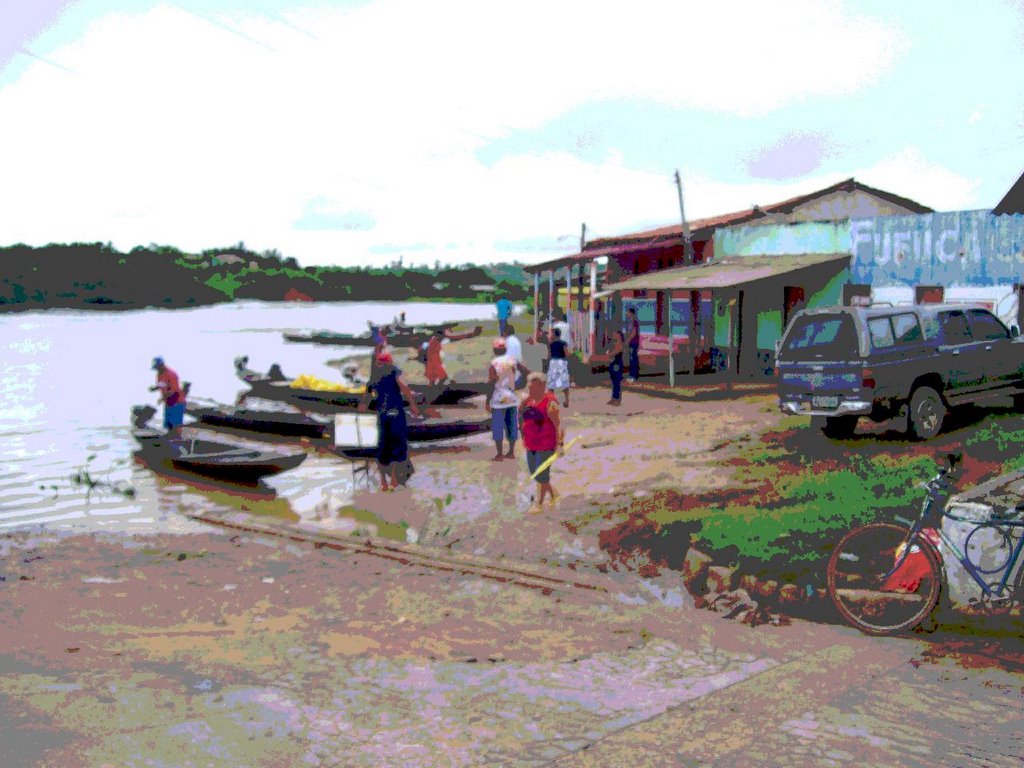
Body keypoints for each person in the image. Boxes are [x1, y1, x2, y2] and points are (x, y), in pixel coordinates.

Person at [359, 350, 421, 492]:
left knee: (383, 448)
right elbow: (404, 388)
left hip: (383, 414)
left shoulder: (374, 376)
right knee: (397, 447)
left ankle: (383, 482)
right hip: (396, 413)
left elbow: (366, 395)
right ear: (390, 362)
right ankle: (393, 480)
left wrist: (363, 405)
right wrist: (412, 404)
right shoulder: (394, 371)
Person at [520, 372, 565, 514]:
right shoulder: (528, 401)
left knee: (541, 474)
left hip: (546, 445)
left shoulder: (550, 402)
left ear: (542, 385)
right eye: (529, 388)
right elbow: (522, 416)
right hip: (531, 444)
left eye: (532, 388)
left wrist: (561, 444)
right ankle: (554, 494)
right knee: (535, 472)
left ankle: (538, 504)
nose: (530, 390)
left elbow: (559, 424)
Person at [487, 338, 529, 461]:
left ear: (494, 349)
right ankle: (511, 452)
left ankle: (499, 454)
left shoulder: (494, 363)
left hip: (498, 398)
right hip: (511, 397)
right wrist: (519, 383)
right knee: (511, 425)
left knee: (498, 427)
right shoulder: (512, 360)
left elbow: (491, 382)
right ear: (505, 349)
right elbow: (526, 371)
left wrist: (487, 400)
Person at [149, 357, 186, 431]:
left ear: (162, 365)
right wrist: (155, 388)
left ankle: (177, 439)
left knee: (176, 425)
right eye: (156, 368)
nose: (157, 370)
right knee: (167, 425)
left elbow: (173, 390)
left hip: (177, 401)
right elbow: (162, 384)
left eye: (158, 368)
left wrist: (162, 398)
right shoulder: (159, 374)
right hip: (168, 402)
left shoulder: (171, 374)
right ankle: (167, 439)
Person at [547, 328, 571, 408]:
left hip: (553, 363)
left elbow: (549, 356)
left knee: (551, 382)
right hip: (562, 362)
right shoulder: (563, 343)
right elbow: (567, 354)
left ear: (554, 334)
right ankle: (567, 400)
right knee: (565, 382)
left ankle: (551, 400)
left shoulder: (551, 344)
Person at [608, 331, 625, 406]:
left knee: (617, 382)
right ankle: (614, 398)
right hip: (613, 363)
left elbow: (615, 352)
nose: (613, 336)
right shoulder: (614, 343)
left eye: (615, 334)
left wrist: (609, 354)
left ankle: (617, 399)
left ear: (619, 335)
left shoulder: (620, 344)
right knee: (613, 382)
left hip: (617, 365)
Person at [625, 307, 641, 382]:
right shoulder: (630, 321)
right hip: (631, 342)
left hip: (633, 342)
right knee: (631, 358)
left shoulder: (634, 322)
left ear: (631, 313)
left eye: (627, 312)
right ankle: (632, 374)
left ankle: (634, 375)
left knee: (633, 358)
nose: (626, 313)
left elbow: (633, 333)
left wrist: (627, 340)